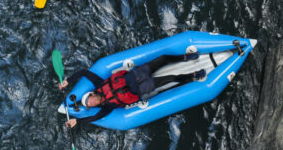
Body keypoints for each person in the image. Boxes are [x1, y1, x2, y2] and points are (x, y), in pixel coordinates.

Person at [58, 53, 205, 127]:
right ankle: (192, 76)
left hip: (138, 73)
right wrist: (77, 121)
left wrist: (67, 81)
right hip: (142, 88)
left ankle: (185, 57)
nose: (92, 103)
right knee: (171, 79)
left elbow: (84, 72)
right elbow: (94, 118)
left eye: (89, 100)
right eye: (90, 105)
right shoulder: (108, 107)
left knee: (163, 58)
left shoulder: (99, 84)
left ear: (91, 94)